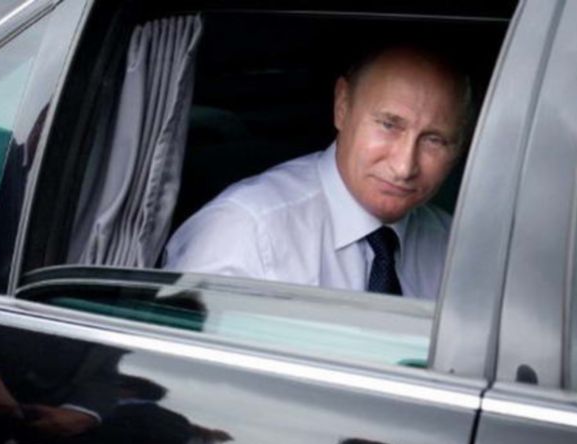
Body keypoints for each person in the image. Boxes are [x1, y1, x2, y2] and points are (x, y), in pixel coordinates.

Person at [164, 44, 472, 299]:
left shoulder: (454, 249)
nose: (404, 167)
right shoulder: (246, 233)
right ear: (342, 106)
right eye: (388, 125)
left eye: (434, 140)